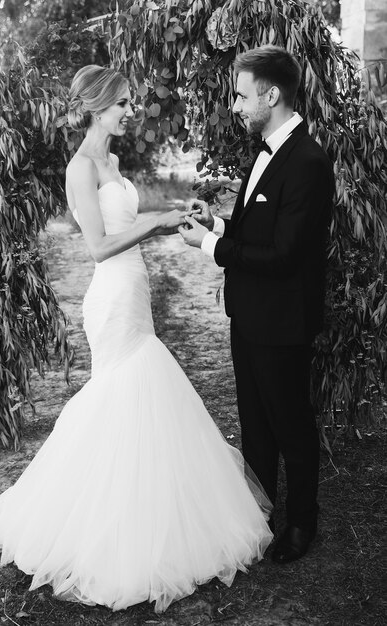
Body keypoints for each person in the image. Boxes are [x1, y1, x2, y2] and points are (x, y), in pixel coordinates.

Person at [0, 65, 272, 613]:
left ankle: (149, 509)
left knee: (144, 391)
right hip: (110, 298)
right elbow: (98, 246)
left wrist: (173, 213)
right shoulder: (81, 167)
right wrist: (155, 227)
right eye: (125, 104)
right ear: (98, 105)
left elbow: (130, 221)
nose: (132, 111)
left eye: (131, 103)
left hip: (135, 293)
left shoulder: (111, 162)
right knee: (121, 389)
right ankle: (101, 525)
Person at [179, 46, 334, 564]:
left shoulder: (308, 162)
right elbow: (254, 230)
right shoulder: (266, 150)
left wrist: (208, 248)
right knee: (255, 423)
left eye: (242, 95)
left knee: (291, 423)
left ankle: (301, 523)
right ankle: (259, 511)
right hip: (247, 316)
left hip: (283, 320)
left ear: (272, 95)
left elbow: (285, 255)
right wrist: (216, 225)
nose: (237, 105)